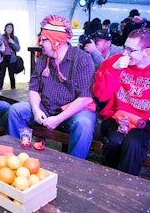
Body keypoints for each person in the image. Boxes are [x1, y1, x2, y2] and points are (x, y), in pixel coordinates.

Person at [92, 27, 150, 176]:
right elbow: (101, 95)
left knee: (133, 145)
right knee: (114, 142)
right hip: (114, 116)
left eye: (131, 50)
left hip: (143, 120)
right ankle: (107, 182)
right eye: (124, 47)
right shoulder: (114, 62)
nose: (125, 53)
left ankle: (126, 188)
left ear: (147, 52)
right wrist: (113, 70)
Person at [8, 14, 96, 159]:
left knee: (84, 123)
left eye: (44, 39)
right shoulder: (43, 59)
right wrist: (36, 110)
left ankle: (75, 167)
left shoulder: (82, 59)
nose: (39, 42)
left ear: (56, 42)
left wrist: (58, 119)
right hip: (47, 108)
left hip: (72, 112)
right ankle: (18, 158)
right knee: (15, 110)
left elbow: (85, 98)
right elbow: (33, 89)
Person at [0, 22, 21, 90]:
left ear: (12, 29)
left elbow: (18, 49)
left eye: (10, 27)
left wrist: (13, 42)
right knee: (2, 75)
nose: (9, 29)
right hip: (3, 58)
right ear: (5, 28)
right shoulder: (2, 37)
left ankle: (13, 90)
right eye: (8, 27)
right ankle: (0, 89)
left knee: (11, 75)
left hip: (12, 59)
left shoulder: (15, 38)